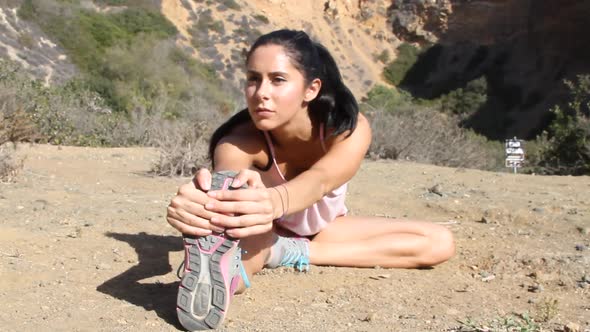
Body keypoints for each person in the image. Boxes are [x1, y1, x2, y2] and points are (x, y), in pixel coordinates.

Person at [167, 29, 455, 331]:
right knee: (234, 260)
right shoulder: (238, 144)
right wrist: (198, 206)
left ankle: (283, 251)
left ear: (311, 89)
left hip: (321, 229)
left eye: (278, 80)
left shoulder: (346, 130)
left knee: (438, 243)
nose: (261, 92)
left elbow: (320, 180)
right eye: (253, 79)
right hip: (261, 229)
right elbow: (226, 199)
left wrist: (274, 200)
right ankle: (223, 278)